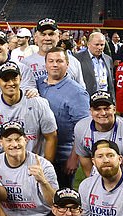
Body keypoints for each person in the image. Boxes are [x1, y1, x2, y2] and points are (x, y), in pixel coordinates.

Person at [0, 61, 57, 162]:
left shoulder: (39, 103)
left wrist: (46, 166)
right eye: (5, 79)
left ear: (20, 79)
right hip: (5, 163)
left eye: (14, 79)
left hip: (34, 162)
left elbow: (51, 137)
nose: (10, 83)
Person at [73, 92, 123, 186]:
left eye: (106, 108)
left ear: (114, 109)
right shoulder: (81, 128)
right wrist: (97, 186)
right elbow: (85, 158)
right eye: (97, 109)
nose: (103, 113)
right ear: (90, 111)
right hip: (108, 177)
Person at [36, 47, 90, 188]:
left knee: (61, 200)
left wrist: (74, 157)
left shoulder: (77, 92)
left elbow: (83, 128)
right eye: (51, 61)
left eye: (59, 61)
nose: (54, 64)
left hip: (62, 156)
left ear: (67, 64)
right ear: (45, 64)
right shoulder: (38, 84)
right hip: (38, 152)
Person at [74, 32, 115, 99]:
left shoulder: (108, 59)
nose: (99, 47)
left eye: (102, 45)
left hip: (105, 100)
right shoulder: (78, 58)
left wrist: (113, 101)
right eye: (97, 44)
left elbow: (111, 84)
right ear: (88, 44)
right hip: (86, 100)